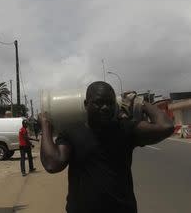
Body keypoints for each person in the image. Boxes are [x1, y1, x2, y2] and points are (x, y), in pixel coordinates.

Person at [39, 81, 174, 213]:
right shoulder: (72, 133)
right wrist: (45, 126)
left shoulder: (125, 129)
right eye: (98, 102)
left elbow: (166, 127)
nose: (105, 107)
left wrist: (141, 102)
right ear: (86, 104)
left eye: (110, 103)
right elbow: (52, 164)